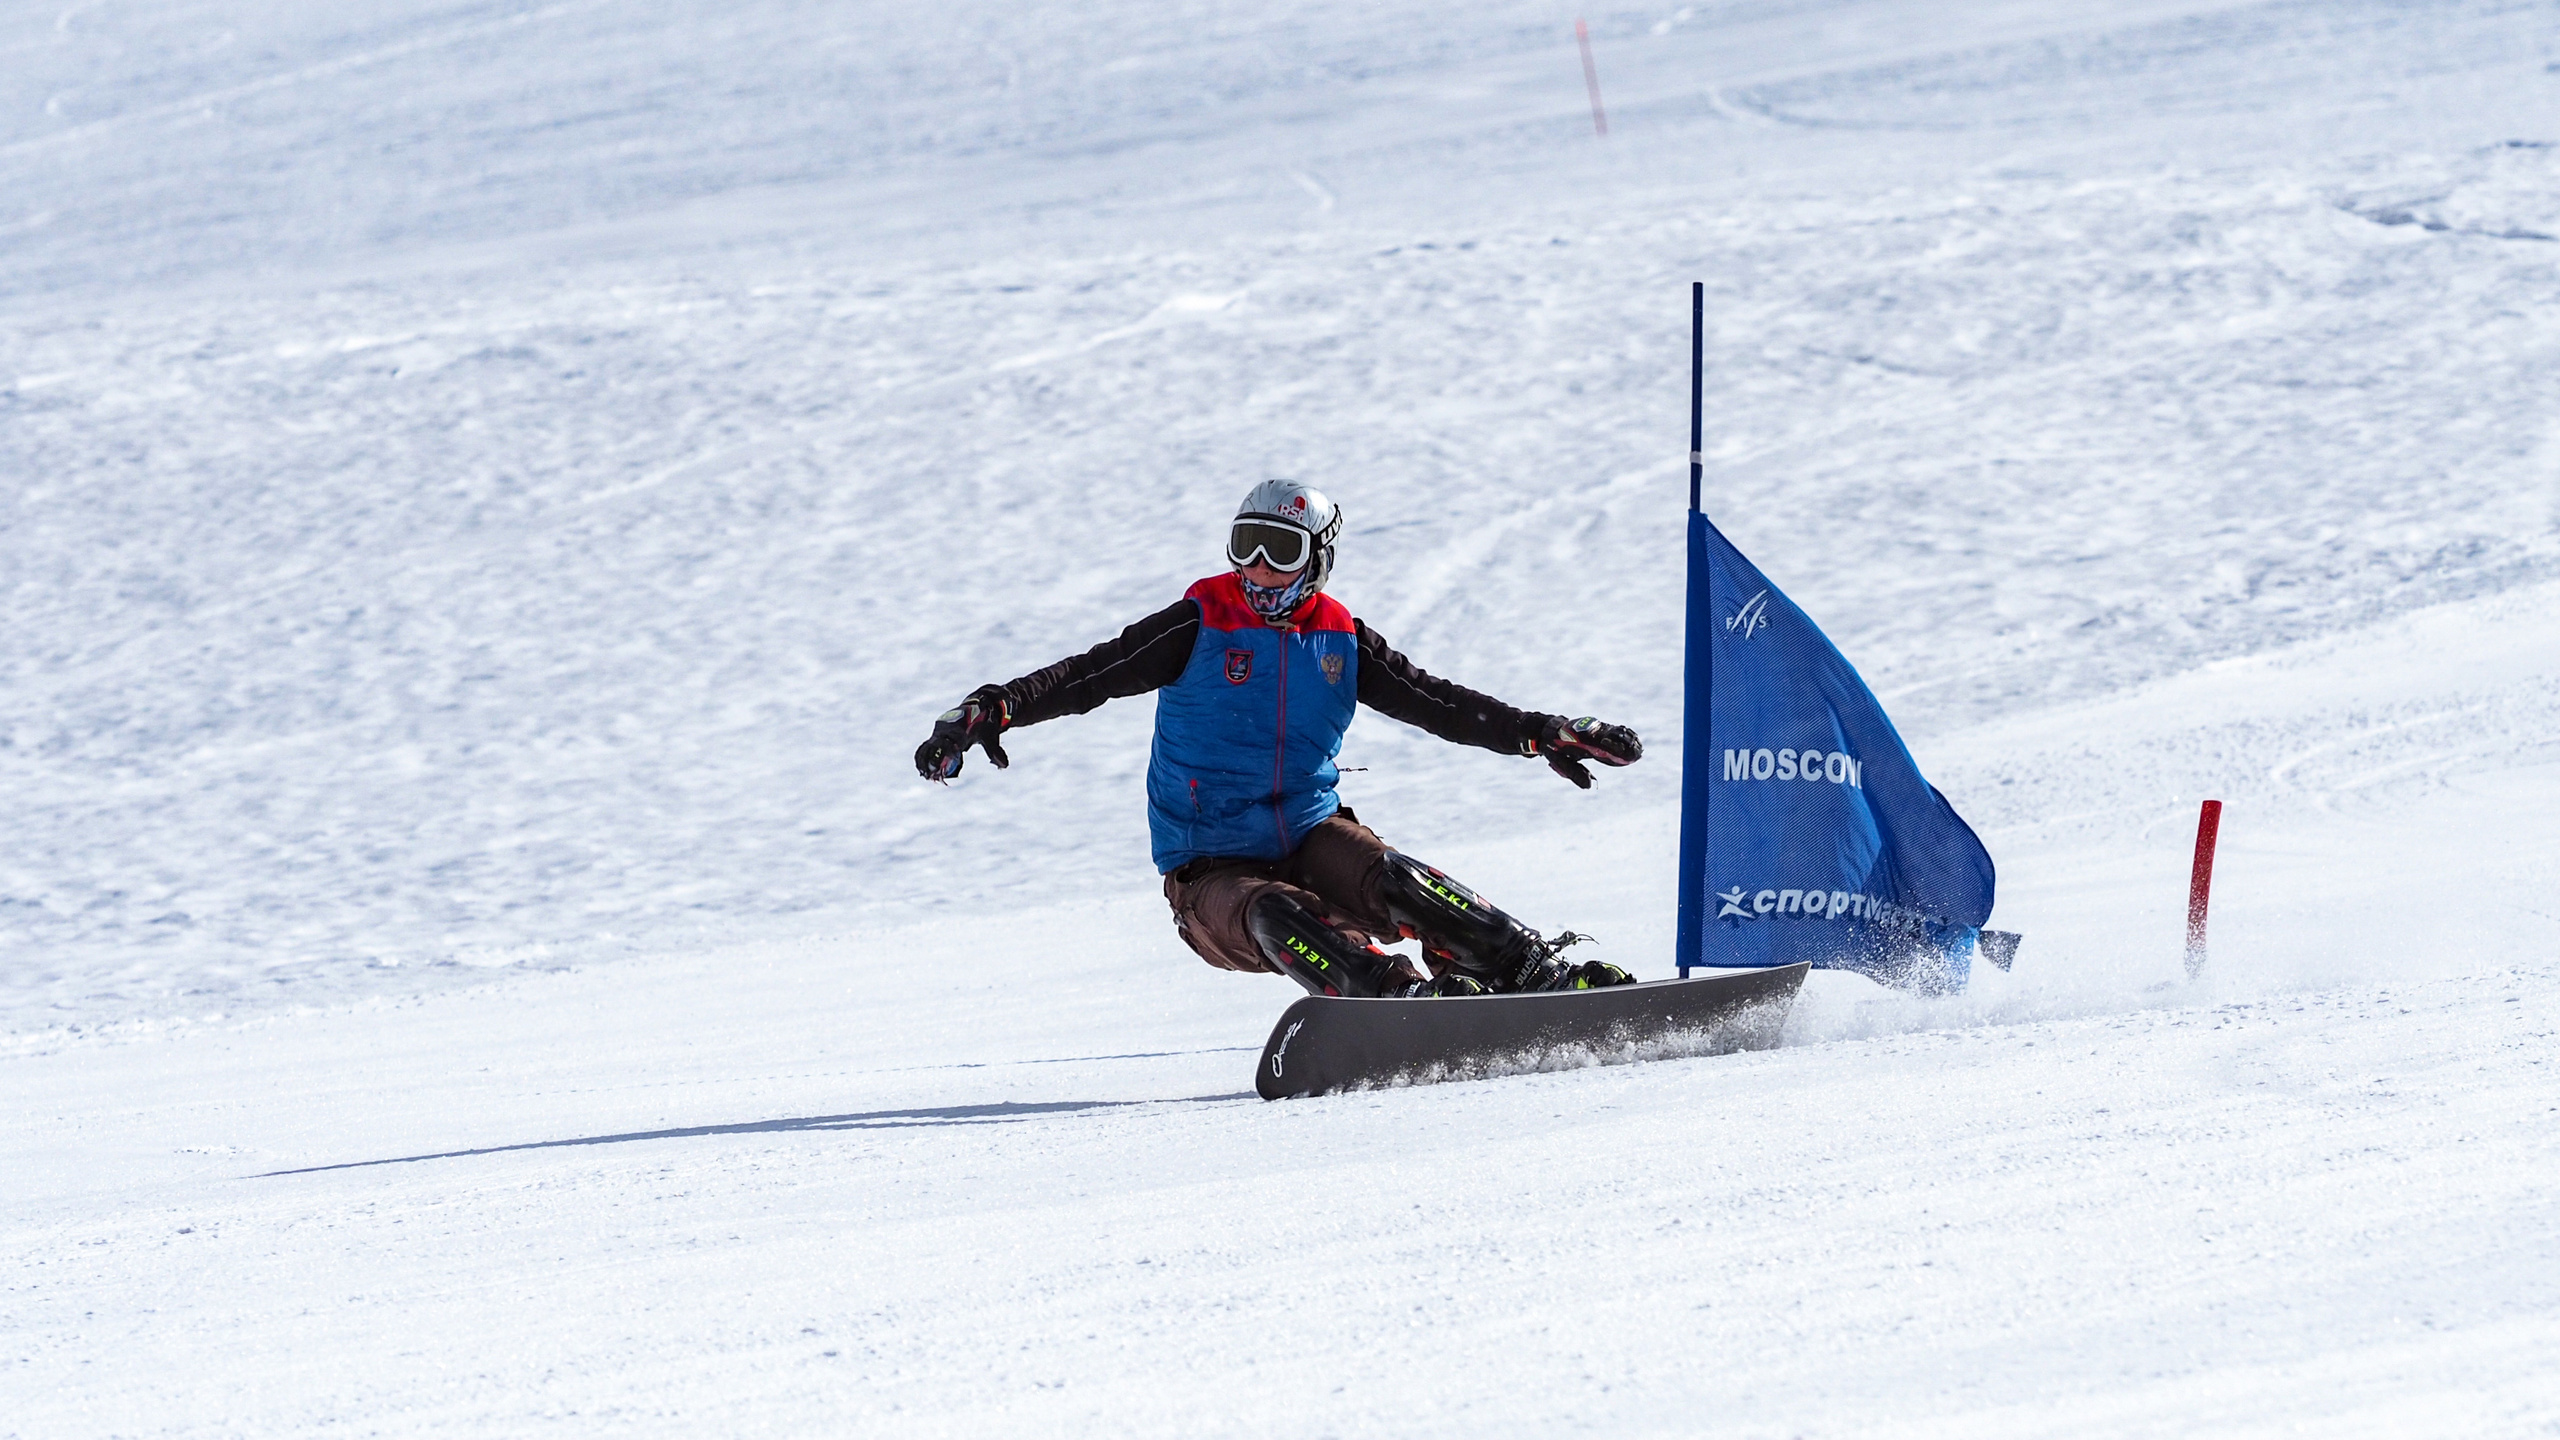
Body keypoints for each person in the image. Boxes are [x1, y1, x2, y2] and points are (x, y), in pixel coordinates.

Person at [914, 481, 1646, 999]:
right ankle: (1392, 1000)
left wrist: (1539, 735)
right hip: (1210, 874)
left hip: (1309, 833)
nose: (1258, 568)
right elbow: (1091, 674)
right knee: (1273, 911)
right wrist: (993, 708)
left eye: (1280, 550)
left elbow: (1440, 704)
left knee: (1397, 878)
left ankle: (1530, 973)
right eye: (1247, 547)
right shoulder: (1201, 621)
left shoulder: (1341, 639)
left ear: (1319, 557)